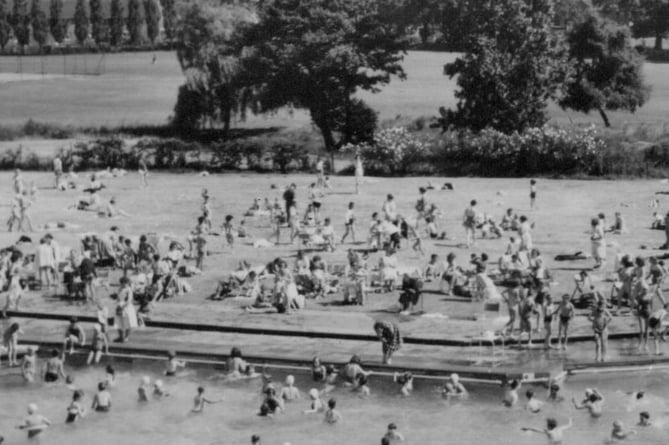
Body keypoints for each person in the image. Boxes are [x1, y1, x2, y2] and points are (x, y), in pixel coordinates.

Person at [115, 276, 138, 343]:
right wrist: (118, 305)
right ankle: (121, 337)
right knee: (119, 322)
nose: (123, 284)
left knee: (129, 322)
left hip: (127, 307)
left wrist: (123, 306)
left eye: (125, 283)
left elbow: (129, 300)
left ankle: (126, 337)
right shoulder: (119, 289)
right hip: (119, 306)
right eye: (122, 283)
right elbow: (118, 298)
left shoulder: (129, 290)